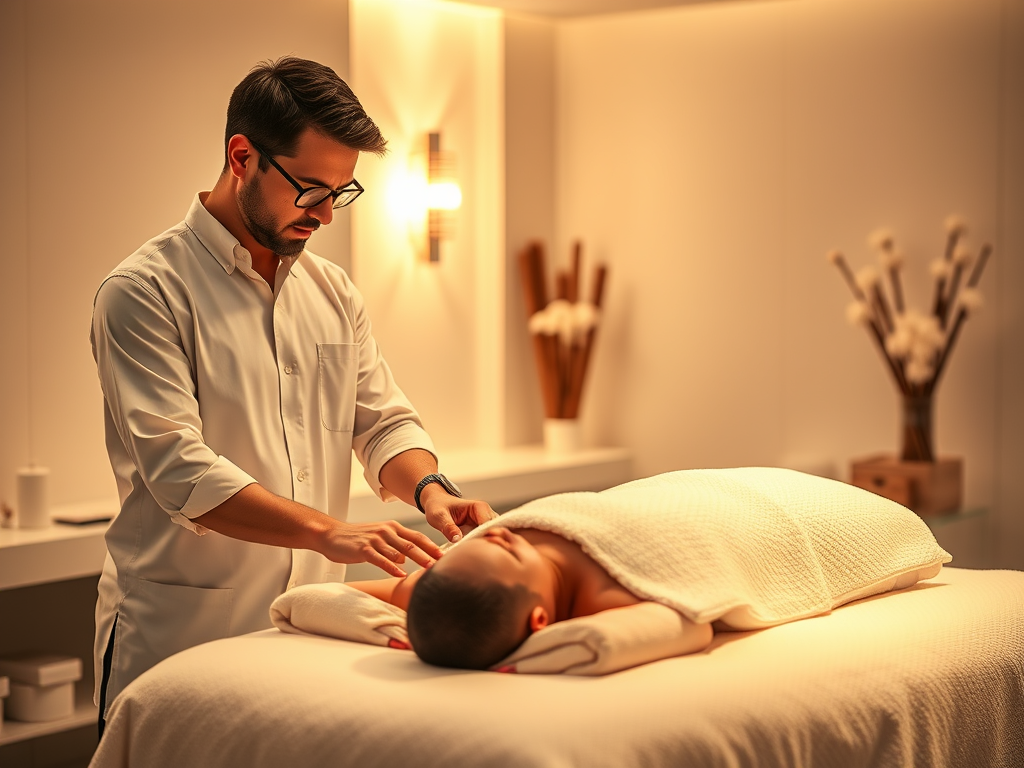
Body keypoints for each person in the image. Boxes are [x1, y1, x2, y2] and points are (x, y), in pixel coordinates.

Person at [89, 56, 495, 729]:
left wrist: (433, 492)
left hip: (307, 641)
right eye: (310, 190)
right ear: (241, 157)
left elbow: (382, 422)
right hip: (182, 641)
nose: (327, 214)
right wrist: (328, 532)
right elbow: (179, 471)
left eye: (342, 191)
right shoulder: (143, 293)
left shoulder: (332, 292)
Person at [347, 524, 712, 670]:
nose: (498, 531)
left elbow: (325, 597)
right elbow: (694, 623)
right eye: (509, 551)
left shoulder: (443, 588)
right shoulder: (605, 599)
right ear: (539, 620)